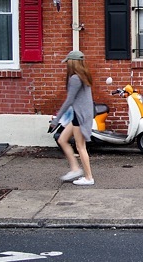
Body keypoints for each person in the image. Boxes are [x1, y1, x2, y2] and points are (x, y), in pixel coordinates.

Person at [50, 50, 95, 186]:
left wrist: (57, 119)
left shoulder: (75, 78)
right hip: (80, 113)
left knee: (80, 146)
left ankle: (88, 178)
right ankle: (75, 169)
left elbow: (69, 100)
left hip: (80, 115)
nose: (66, 65)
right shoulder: (83, 75)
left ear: (72, 62)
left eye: (68, 62)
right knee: (62, 139)